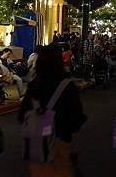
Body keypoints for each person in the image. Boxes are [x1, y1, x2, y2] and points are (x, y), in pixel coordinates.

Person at [19, 45, 86, 177]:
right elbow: (76, 116)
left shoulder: (34, 85)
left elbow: (22, 115)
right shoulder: (67, 86)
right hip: (60, 139)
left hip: (36, 141)